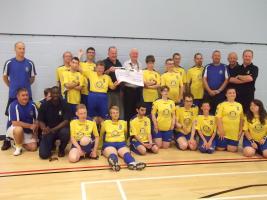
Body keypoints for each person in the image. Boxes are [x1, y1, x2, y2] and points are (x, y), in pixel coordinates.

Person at [2, 41, 37, 151]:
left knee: (30, 116)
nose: (22, 50)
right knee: (10, 118)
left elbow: (32, 79)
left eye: (23, 48)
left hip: (27, 95)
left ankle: (30, 138)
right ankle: (7, 140)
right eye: (19, 48)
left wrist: (25, 88)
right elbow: (5, 77)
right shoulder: (9, 63)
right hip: (13, 95)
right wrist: (12, 86)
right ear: (15, 49)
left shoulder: (30, 63)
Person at [100, 106, 146, 171]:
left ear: (119, 113)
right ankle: (114, 164)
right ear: (110, 114)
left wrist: (126, 143)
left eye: (117, 113)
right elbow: (101, 135)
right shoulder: (105, 123)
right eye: (113, 113)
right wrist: (99, 147)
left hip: (121, 144)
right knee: (113, 153)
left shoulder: (123, 123)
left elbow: (126, 134)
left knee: (126, 153)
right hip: (109, 144)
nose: (115, 114)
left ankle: (132, 163)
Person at [38, 86, 71, 159]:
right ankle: (51, 145)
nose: (55, 95)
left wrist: (53, 129)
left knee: (66, 133)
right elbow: (40, 120)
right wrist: (43, 128)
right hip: (48, 131)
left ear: (60, 94)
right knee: (43, 155)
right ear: (51, 94)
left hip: (60, 130)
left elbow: (66, 121)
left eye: (57, 93)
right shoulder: (44, 105)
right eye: (53, 93)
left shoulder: (65, 104)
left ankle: (61, 149)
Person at [6, 88, 38, 156]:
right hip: (14, 129)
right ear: (18, 96)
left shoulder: (33, 104)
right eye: (23, 95)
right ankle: (18, 147)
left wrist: (35, 133)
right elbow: (15, 123)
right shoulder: (13, 105)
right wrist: (30, 126)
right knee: (19, 129)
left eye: (27, 95)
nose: (25, 97)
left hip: (27, 131)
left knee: (33, 148)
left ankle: (16, 142)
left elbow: (36, 120)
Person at [216, 87, 244, 152]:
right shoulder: (221, 105)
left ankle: (229, 144)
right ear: (226, 95)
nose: (232, 94)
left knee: (232, 150)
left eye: (233, 93)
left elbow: (241, 119)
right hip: (223, 133)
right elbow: (218, 118)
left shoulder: (239, 105)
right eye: (230, 93)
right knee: (220, 149)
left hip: (234, 134)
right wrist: (221, 130)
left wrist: (240, 131)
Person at [203, 50, 229, 114]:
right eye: (215, 55)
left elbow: (227, 80)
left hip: (220, 95)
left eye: (218, 56)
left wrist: (219, 90)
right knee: (207, 113)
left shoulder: (224, 67)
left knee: (219, 113)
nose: (217, 57)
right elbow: (204, 79)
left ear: (220, 57)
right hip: (208, 94)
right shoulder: (207, 67)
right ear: (212, 57)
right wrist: (209, 91)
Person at [123, 48, 143, 121]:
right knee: (128, 110)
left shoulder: (140, 64)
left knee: (136, 109)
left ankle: (135, 128)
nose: (135, 55)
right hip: (129, 90)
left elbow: (140, 76)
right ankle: (128, 129)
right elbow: (125, 75)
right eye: (133, 54)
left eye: (136, 54)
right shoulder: (126, 64)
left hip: (137, 90)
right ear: (130, 55)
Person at [103, 46, 124, 117]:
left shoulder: (119, 63)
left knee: (118, 111)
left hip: (118, 92)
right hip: (108, 92)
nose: (114, 55)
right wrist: (109, 70)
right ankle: (107, 125)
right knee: (108, 110)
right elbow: (100, 75)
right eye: (112, 53)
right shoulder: (104, 62)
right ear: (108, 53)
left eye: (115, 53)